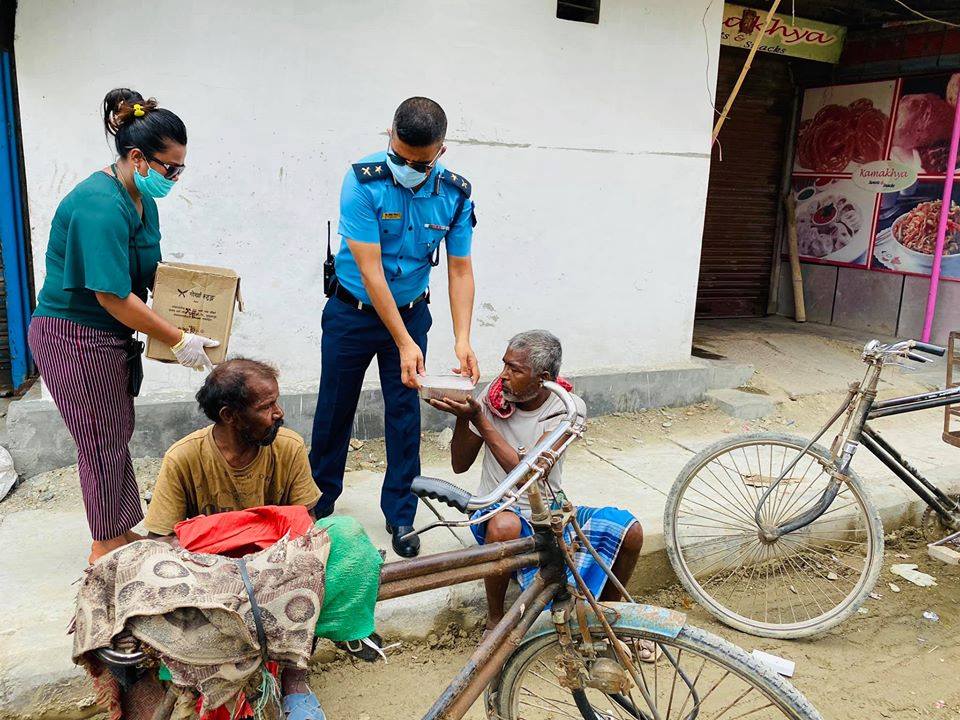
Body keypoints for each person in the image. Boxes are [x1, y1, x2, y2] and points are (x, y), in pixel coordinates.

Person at [29, 88, 219, 564]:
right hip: (73, 334)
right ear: (138, 157)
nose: (174, 177)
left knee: (113, 433)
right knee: (100, 440)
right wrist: (177, 338)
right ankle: (105, 547)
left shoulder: (138, 198)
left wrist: (209, 299)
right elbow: (112, 296)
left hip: (106, 334)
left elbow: (150, 276)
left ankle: (116, 533)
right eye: (169, 167)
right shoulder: (99, 205)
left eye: (181, 168)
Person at [310, 97, 480, 558]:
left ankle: (402, 513)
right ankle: (318, 503)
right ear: (389, 136)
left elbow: (460, 269)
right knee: (334, 408)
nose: (408, 166)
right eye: (400, 155)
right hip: (352, 311)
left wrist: (463, 338)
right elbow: (371, 272)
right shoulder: (362, 181)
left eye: (420, 162)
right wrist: (404, 342)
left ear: (441, 151)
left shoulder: (456, 193)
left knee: (404, 413)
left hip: (410, 311)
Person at [430, 331, 650, 655]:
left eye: (515, 370)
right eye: (504, 365)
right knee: (504, 527)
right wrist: (465, 420)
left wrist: (480, 419)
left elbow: (528, 476)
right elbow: (459, 465)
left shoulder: (567, 409)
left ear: (542, 379)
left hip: (547, 508)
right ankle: (494, 621)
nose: (503, 375)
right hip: (495, 511)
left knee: (629, 530)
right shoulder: (493, 401)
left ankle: (601, 616)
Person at [145, 358, 327, 718]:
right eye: (265, 407)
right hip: (210, 575)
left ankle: (295, 677)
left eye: (276, 401)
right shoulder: (183, 457)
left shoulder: (288, 447)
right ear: (230, 415)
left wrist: (256, 542)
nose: (279, 413)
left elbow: (308, 524)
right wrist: (231, 541)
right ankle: (189, 681)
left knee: (343, 539)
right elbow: (161, 541)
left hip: (277, 570)